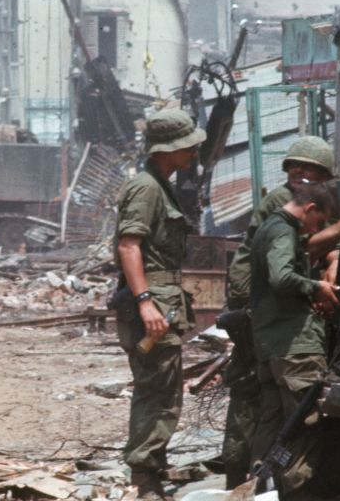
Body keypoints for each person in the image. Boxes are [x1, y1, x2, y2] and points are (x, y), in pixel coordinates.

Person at [220, 136, 340, 488]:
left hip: (272, 317)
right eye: (293, 167)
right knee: (281, 411)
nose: (299, 173)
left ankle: (257, 483)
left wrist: (329, 265)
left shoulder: (294, 212)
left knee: (273, 410)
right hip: (266, 314)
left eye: (309, 169)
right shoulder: (282, 207)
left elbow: (314, 251)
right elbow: (296, 258)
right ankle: (254, 480)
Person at [113, 109, 204, 500]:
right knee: (157, 393)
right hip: (152, 304)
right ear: (170, 150)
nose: (195, 151)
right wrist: (146, 302)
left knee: (163, 390)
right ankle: (146, 481)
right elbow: (128, 245)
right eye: (188, 146)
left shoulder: (159, 184)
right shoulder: (147, 188)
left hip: (162, 301)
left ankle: (151, 471)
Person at [248, 181, 340, 500]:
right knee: (304, 423)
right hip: (294, 346)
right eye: (319, 222)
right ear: (310, 209)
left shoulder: (269, 227)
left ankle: (261, 490)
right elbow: (281, 277)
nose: (316, 230)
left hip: (271, 342)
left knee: (273, 424)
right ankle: (297, 494)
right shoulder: (282, 232)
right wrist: (317, 287)